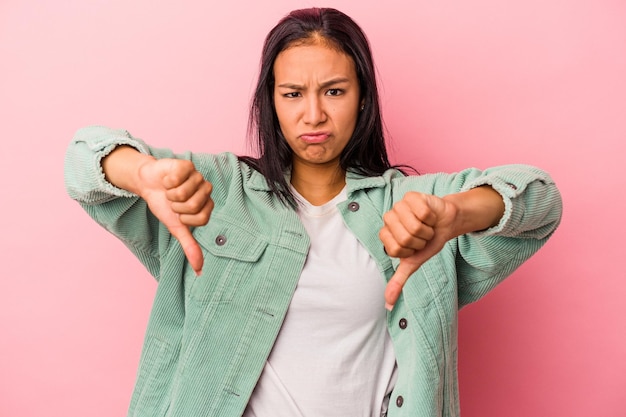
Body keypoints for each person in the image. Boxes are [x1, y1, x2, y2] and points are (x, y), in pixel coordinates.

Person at [64, 7, 562, 417]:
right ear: (271, 102)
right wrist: (141, 174)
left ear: (363, 97)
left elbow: (540, 199)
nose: (314, 115)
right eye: (293, 94)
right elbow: (82, 158)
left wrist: (454, 215)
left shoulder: (411, 206)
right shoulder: (216, 191)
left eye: (335, 91)